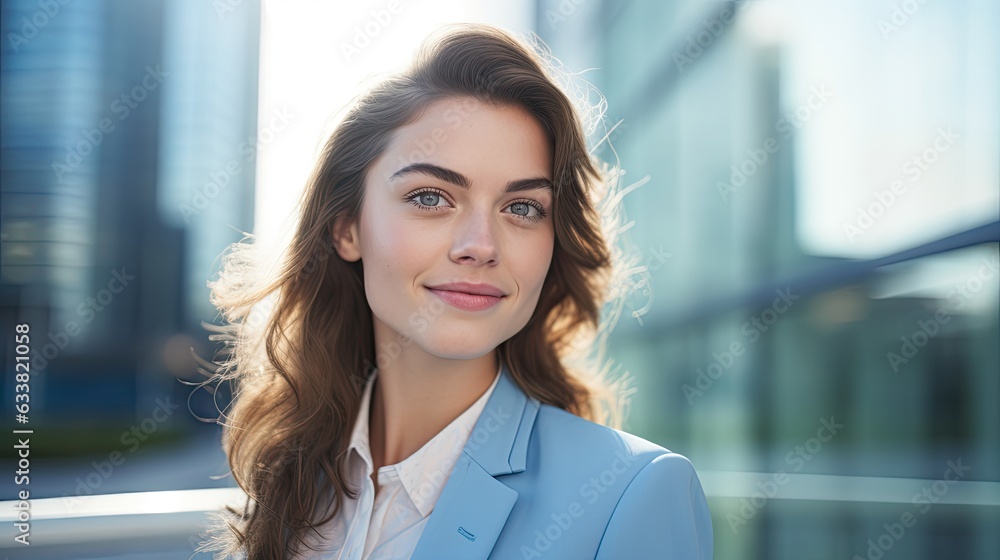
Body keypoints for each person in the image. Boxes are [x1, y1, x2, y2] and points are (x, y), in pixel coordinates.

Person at [198, 22, 713, 559]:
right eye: (430, 197)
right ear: (347, 227)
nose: (480, 245)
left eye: (522, 208)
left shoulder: (635, 494)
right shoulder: (294, 474)